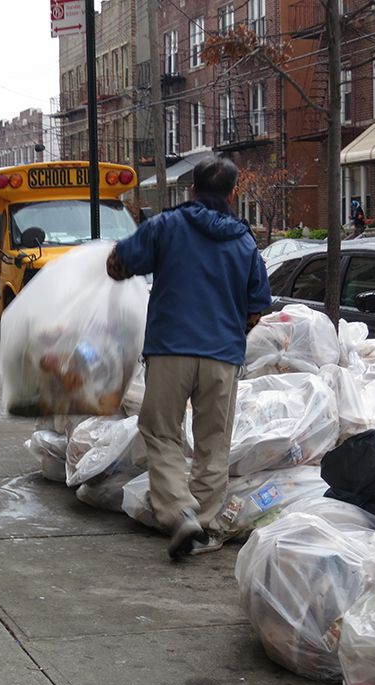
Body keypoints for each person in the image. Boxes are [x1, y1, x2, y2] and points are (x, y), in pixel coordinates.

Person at [106, 153, 272, 560]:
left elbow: (119, 264)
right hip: (223, 356)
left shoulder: (167, 226)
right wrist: (232, 332)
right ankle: (207, 525)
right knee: (214, 442)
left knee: (162, 433)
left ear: (192, 188)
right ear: (234, 193)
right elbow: (257, 306)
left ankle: (180, 512)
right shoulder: (246, 241)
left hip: (170, 350)